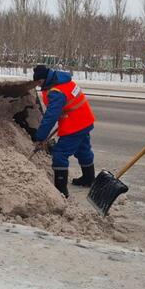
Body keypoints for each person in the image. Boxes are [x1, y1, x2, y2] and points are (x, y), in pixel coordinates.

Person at [32, 64, 96, 197]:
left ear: (43, 79)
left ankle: (61, 190)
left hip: (75, 125)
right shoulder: (63, 81)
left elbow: (50, 117)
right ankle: (89, 178)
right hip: (85, 120)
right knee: (83, 149)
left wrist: (40, 136)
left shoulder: (56, 92)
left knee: (60, 153)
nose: (38, 85)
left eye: (39, 82)